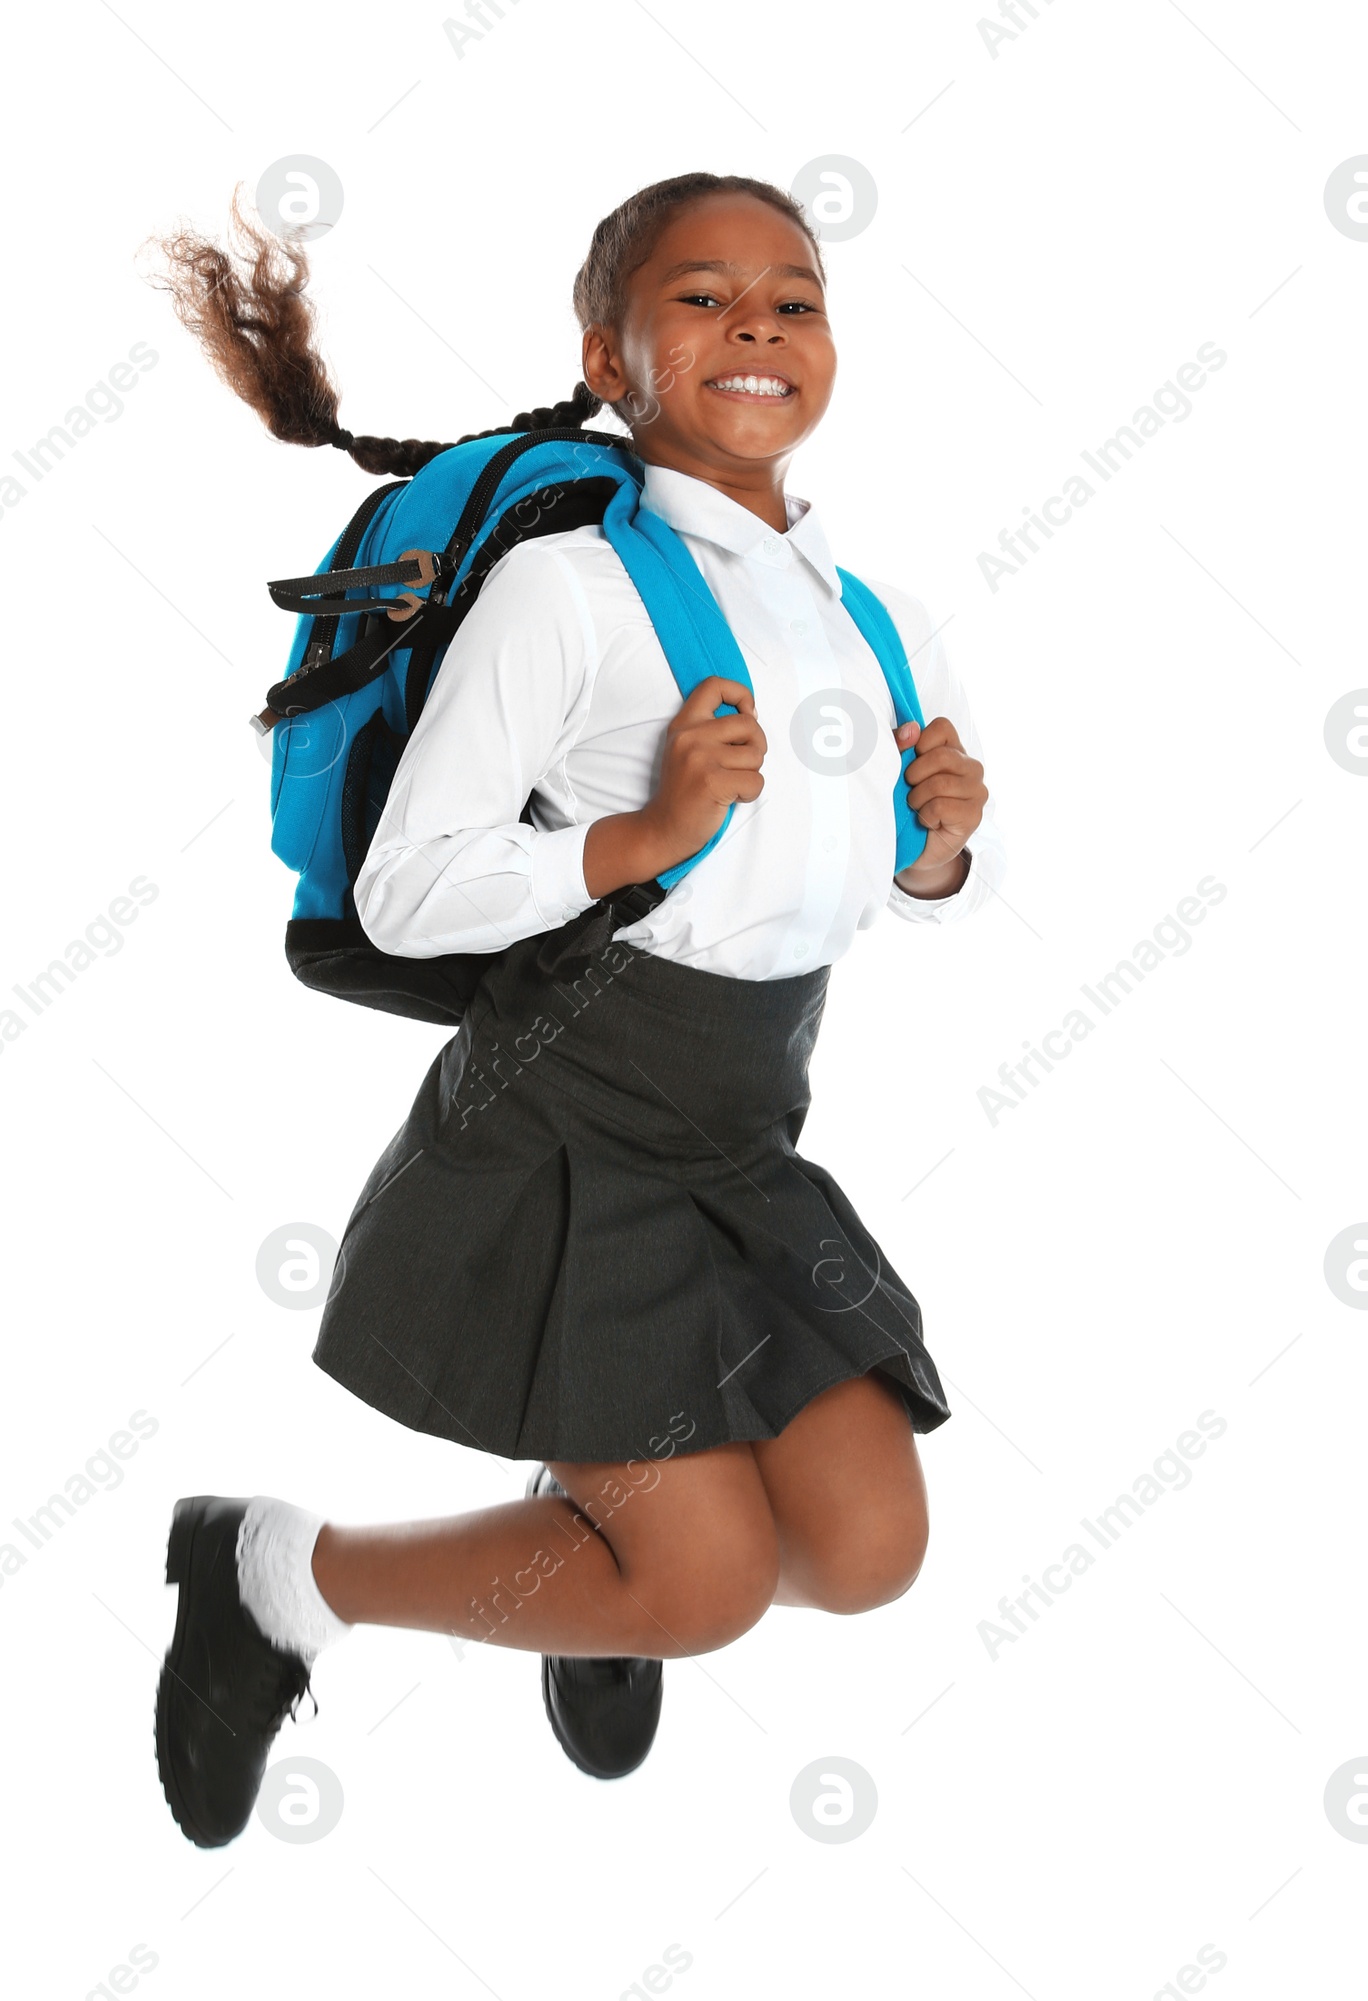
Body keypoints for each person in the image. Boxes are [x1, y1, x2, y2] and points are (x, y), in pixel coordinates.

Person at [148, 171, 1005, 1847]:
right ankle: (272, 1572)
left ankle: (583, 1543)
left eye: (794, 294)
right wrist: (630, 838)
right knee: (701, 1584)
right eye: (699, 295)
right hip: (573, 1108)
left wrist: (943, 855)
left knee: (865, 1547)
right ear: (608, 358)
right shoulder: (569, 598)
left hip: (750, 1127)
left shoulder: (869, 617)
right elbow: (409, 890)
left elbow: (852, 880)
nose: (756, 321)